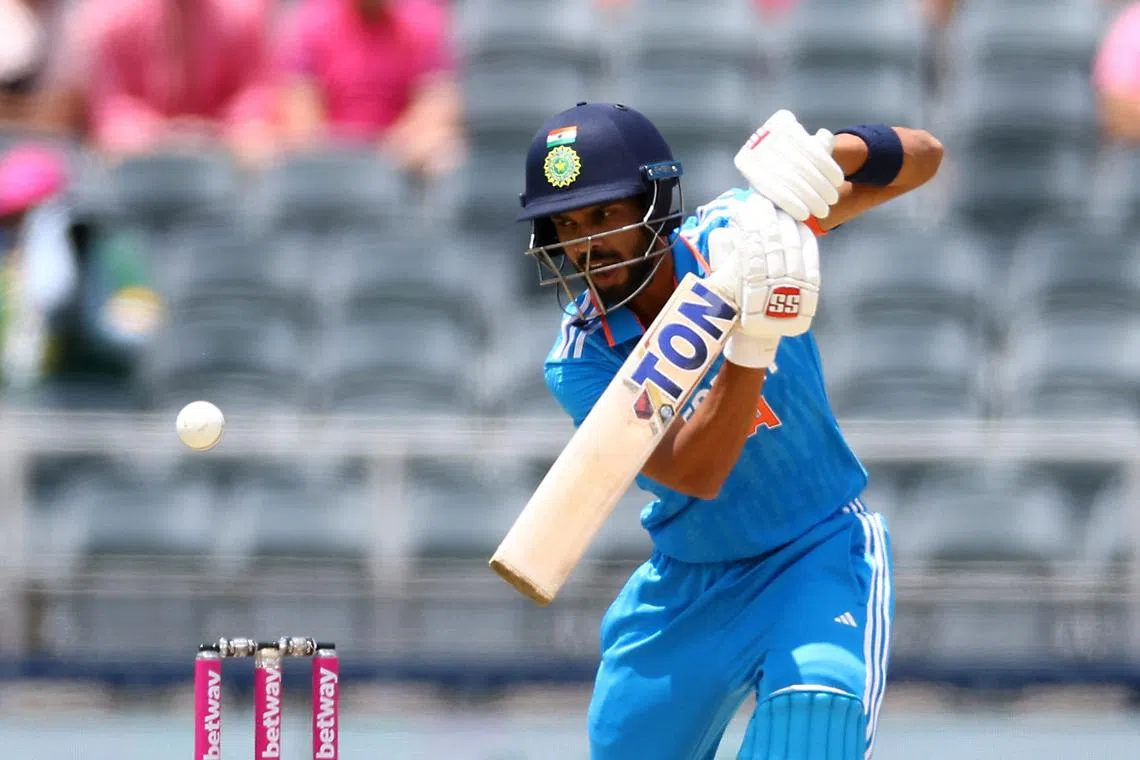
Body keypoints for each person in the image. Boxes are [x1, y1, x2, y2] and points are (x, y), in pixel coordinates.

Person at [516, 102, 943, 759]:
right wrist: (753, 334)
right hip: (691, 583)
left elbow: (924, 158)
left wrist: (832, 155)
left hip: (817, 552)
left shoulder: (741, 231)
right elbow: (696, 471)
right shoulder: (582, 359)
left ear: (654, 202)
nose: (587, 244)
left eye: (605, 215)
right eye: (568, 224)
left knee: (814, 720)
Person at [275, 0, 464, 179]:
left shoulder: (424, 18)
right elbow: (300, 114)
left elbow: (438, 104)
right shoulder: (312, 19)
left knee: (445, 150)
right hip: (328, 159)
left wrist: (394, 147)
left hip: (401, 159)